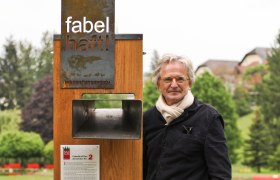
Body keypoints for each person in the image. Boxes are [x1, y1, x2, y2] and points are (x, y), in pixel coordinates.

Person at [143, 54, 232, 180]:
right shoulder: (147, 119)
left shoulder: (208, 118)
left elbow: (221, 174)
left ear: (189, 82)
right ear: (158, 83)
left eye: (180, 79)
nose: (174, 85)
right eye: (168, 79)